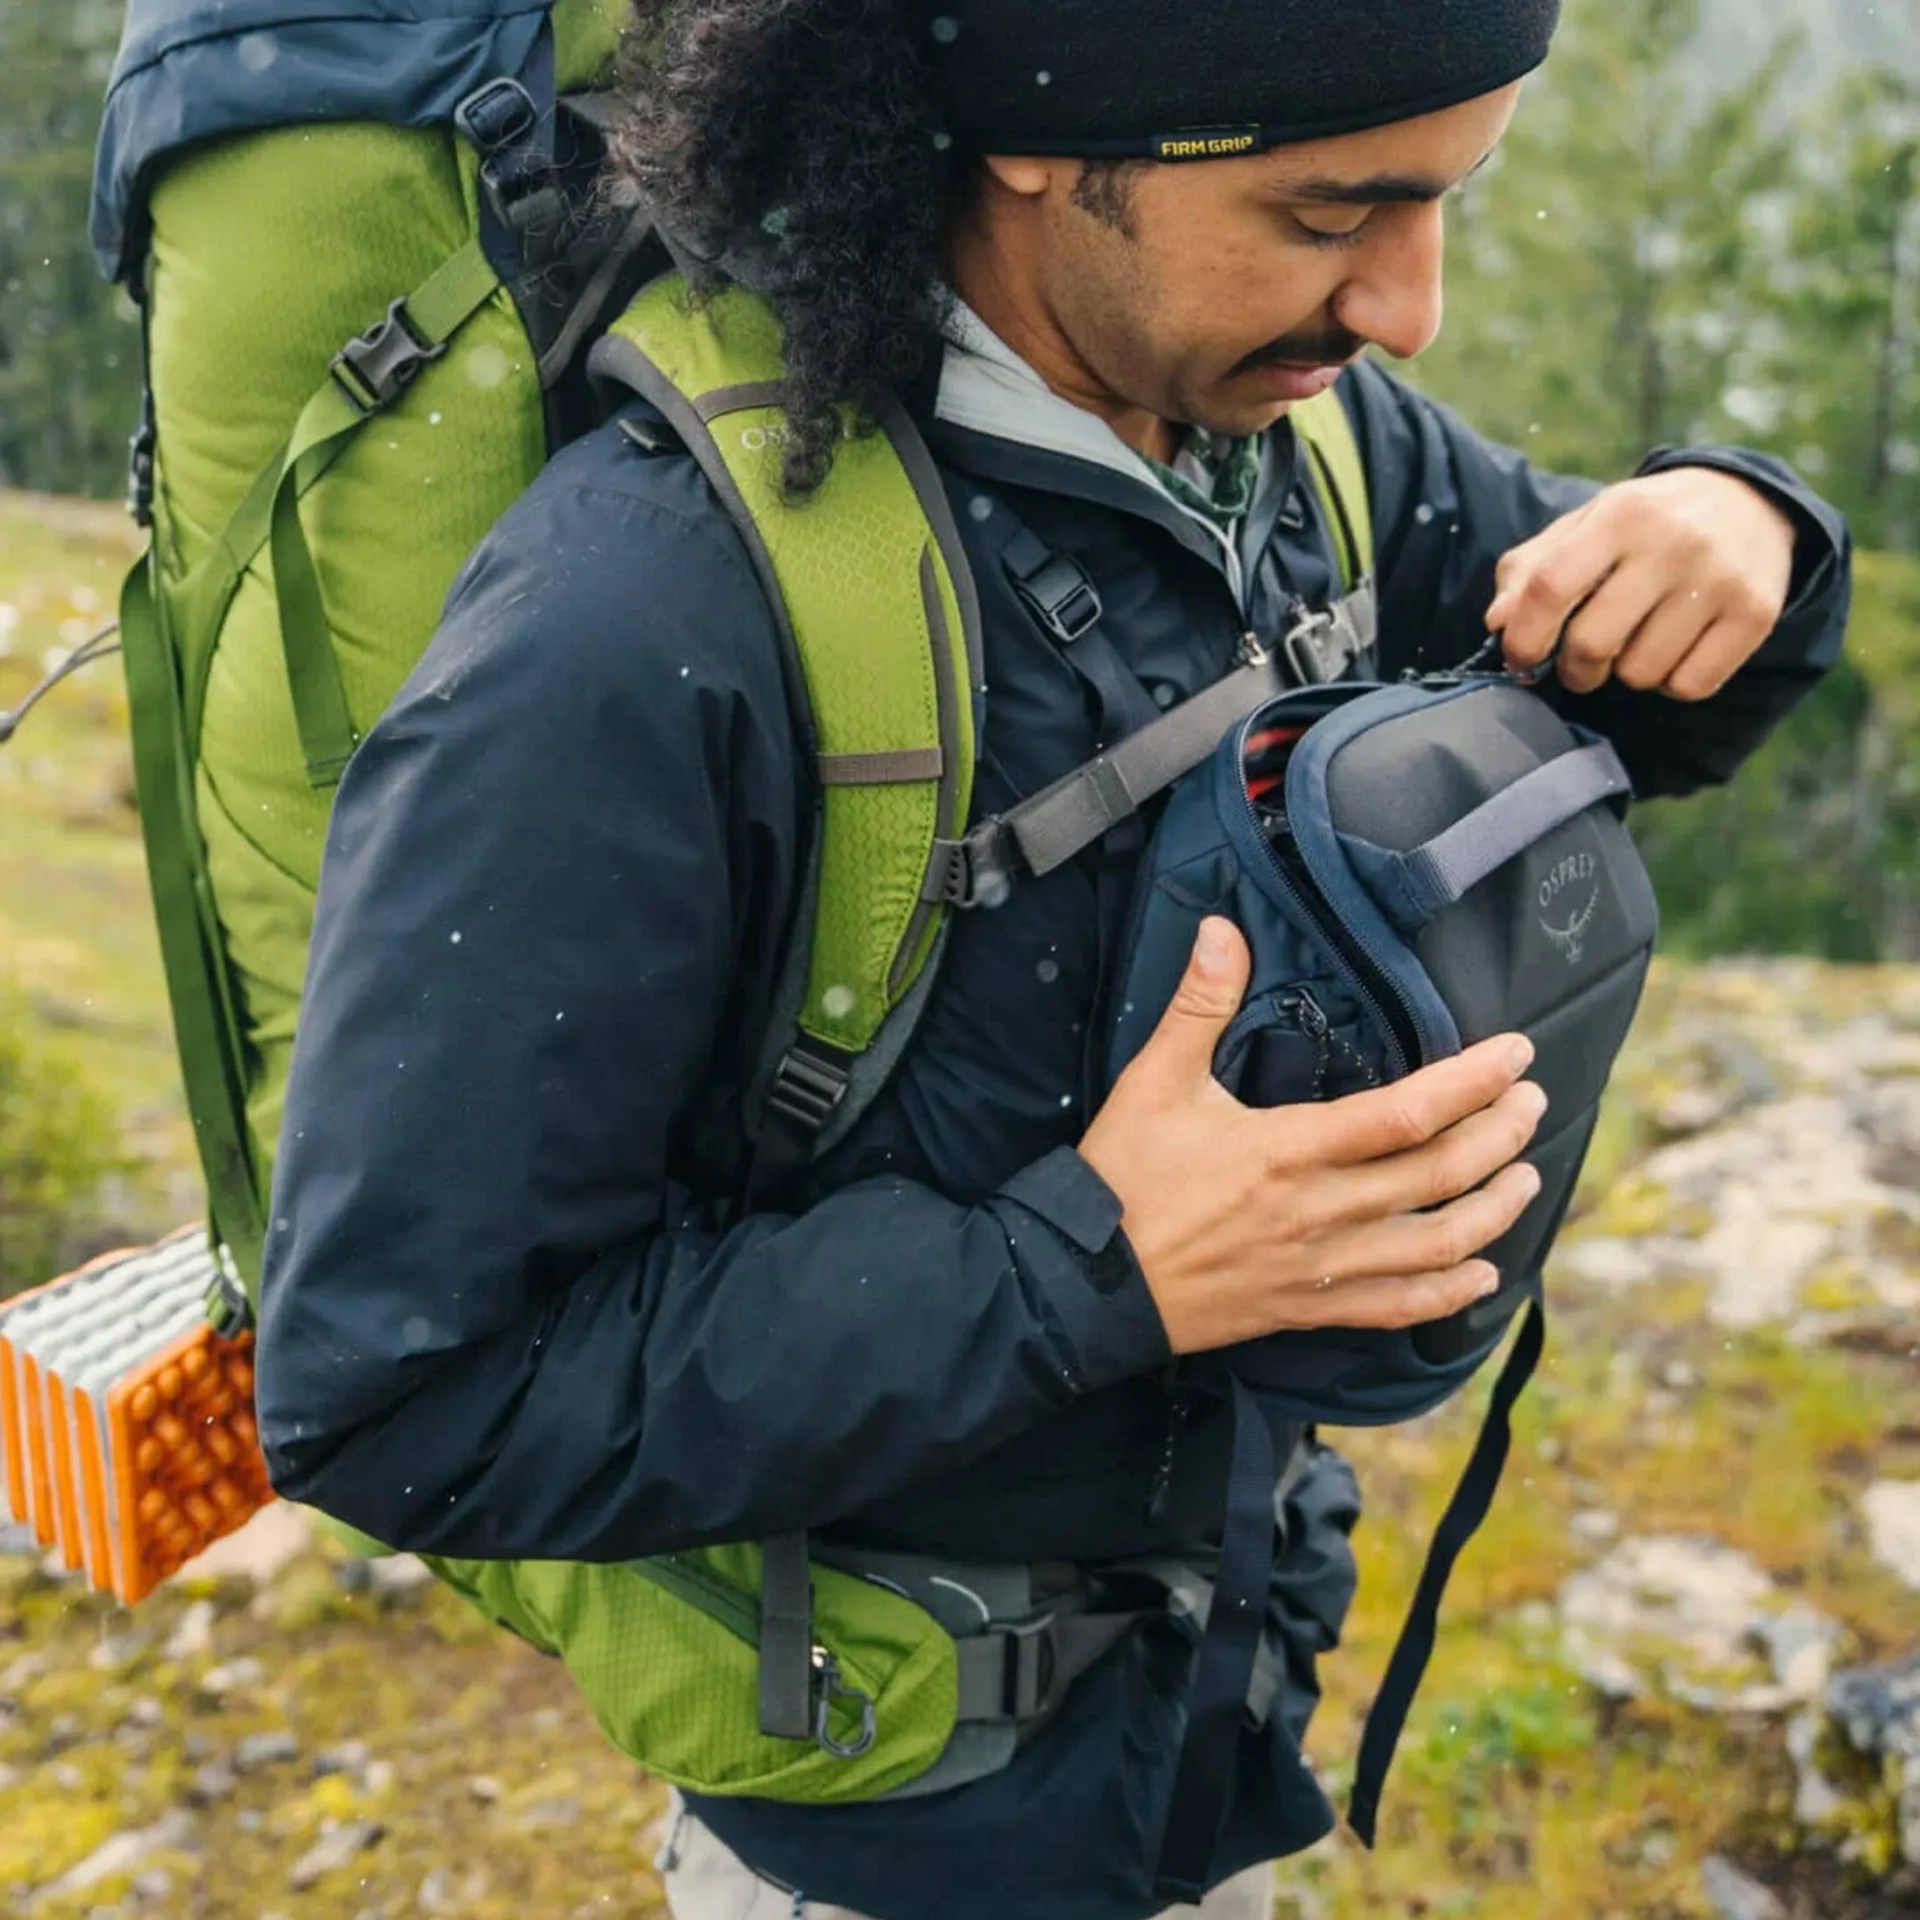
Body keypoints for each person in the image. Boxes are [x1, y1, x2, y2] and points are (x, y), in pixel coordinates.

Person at [253, 1, 1851, 1915]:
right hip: (890, 1827)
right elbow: (410, 1393)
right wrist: (1094, 1264)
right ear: (1033, 135)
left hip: (1212, 1720)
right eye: (1337, 211)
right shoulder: (633, 617)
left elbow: (1634, 688)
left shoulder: (1284, 444)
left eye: (1453, 198)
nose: (1409, 306)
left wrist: (1744, 530)